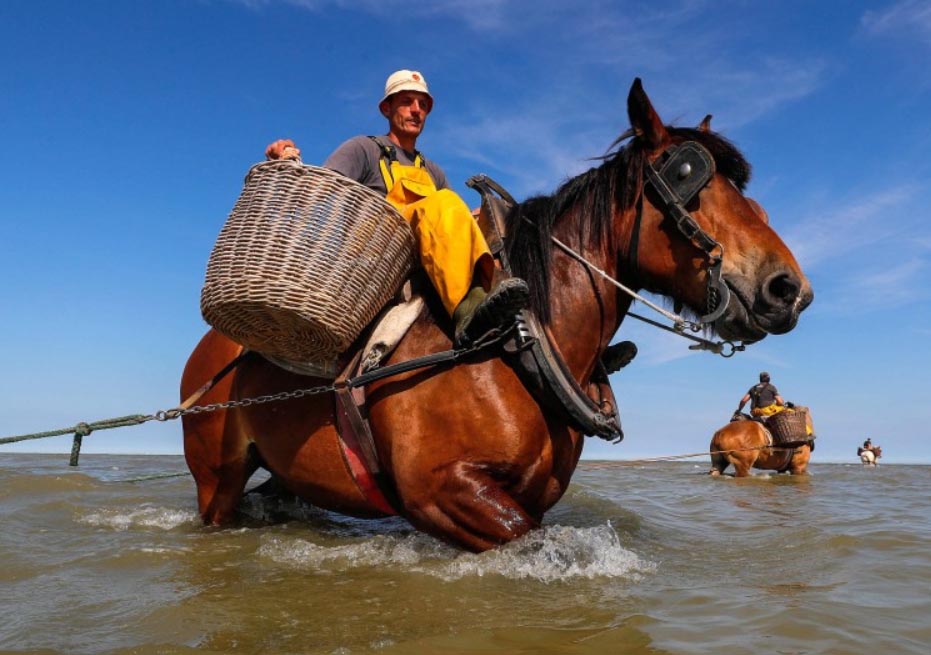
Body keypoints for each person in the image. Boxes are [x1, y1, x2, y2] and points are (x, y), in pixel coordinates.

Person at [265, 69, 529, 346]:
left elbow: (454, 223)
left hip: (424, 260)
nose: (416, 110)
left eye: (423, 105)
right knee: (446, 201)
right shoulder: (363, 149)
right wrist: (286, 162)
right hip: (374, 258)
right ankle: (469, 310)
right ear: (386, 108)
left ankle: (493, 289)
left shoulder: (432, 170)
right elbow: (321, 188)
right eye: (407, 101)